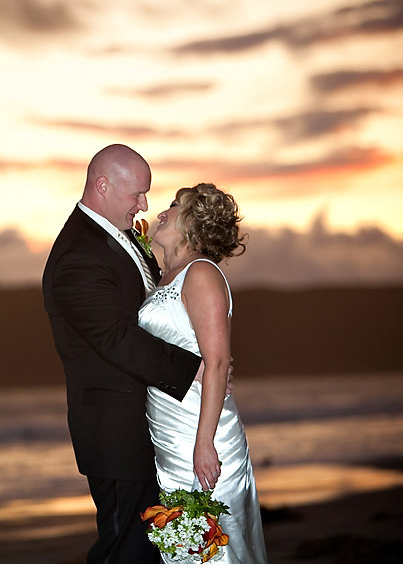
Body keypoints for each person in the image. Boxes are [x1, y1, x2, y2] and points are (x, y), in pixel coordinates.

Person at [42, 144, 211, 563]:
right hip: (115, 432)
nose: (145, 205)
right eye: (137, 194)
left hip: (145, 423)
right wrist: (195, 369)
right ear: (102, 185)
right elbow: (116, 339)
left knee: (149, 546)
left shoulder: (116, 238)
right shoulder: (77, 257)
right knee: (124, 548)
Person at [139, 183, 266, 563]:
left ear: (194, 221)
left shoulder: (201, 274)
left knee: (217, 546)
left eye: (174, 206)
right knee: (183, 549)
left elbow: (218, 362)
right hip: (168, 433)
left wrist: (205, 442)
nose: (162, 212)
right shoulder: (164, 274)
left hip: (201, 431)